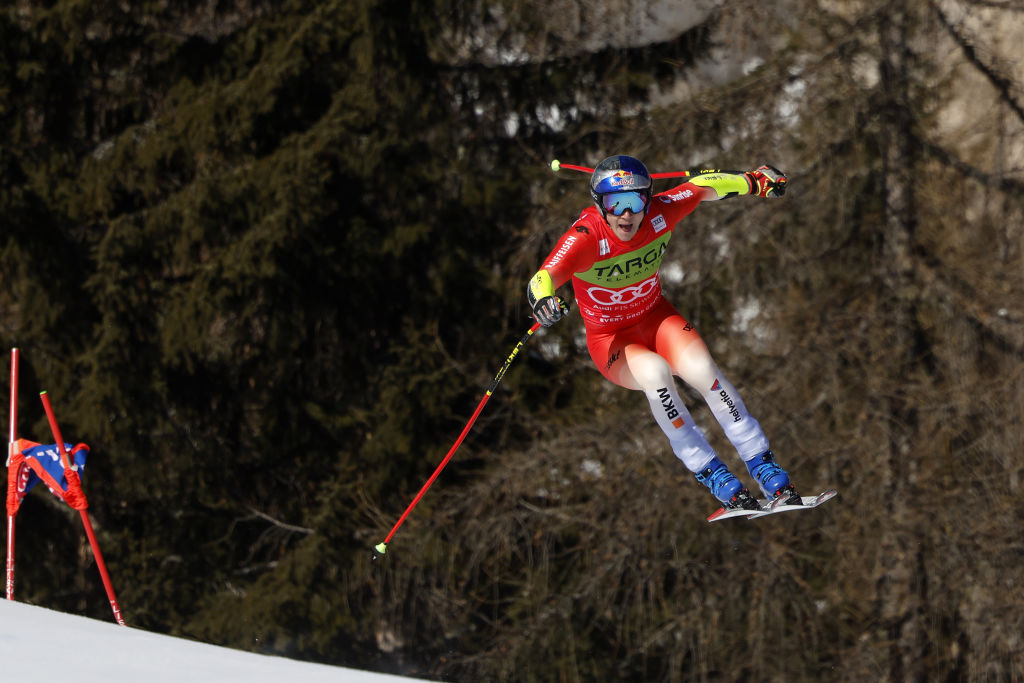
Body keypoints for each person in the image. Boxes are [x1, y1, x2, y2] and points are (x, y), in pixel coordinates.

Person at [527, 155, 794, 511]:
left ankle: (762, 462)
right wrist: (544, 301)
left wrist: (755, 181)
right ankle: (710, 471)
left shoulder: (658, 214)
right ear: (599, 205)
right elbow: (542, 278)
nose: (626, 214)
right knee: (655, 374)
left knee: (703, 370)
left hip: (656, 319)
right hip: (613, 342)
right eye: (615, 203)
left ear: (647, 201)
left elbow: (702, 187)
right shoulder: (587, 237)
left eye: (635, 201)